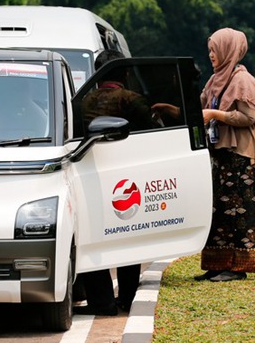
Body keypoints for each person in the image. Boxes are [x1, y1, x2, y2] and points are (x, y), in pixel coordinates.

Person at [194, 28, 255, 283]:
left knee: (242, 212)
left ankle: (238, 267)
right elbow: (201, 106)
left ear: (228, 49)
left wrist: (215, 115)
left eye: (215, 49)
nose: (211, 55)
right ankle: (218, 263)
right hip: (222, 155)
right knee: (219, 210)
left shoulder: (243, 80)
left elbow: (248, 117)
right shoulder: (214, 80)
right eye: (210, 50)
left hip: (243, 157)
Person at [75, 49, 147, 315]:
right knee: (128, 235)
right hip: (128, 178)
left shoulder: (81, 101)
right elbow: (152, 131)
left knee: (93, 236)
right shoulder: (132, 100)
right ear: (125, 73)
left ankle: (102, 301)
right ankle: (127, 298)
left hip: (90, 176)